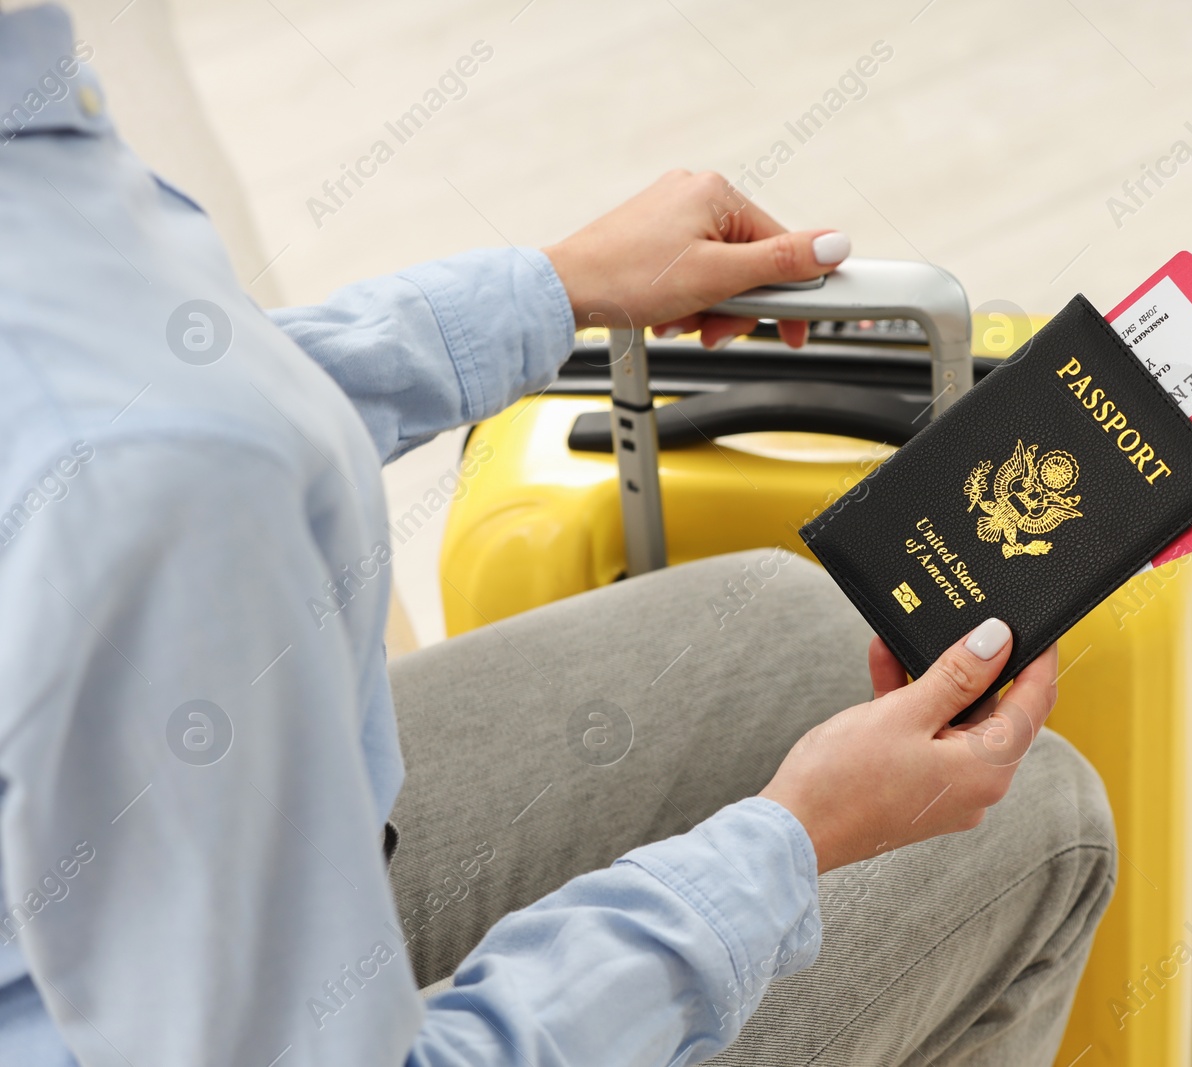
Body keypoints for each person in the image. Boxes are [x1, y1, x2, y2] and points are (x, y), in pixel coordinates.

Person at [0, 5, 1115, 1064]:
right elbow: (143, 451)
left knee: (783, 631)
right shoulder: (147, 474)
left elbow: (152, 405)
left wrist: (546, 291)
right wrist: (788, 846)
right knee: (1036, 828)